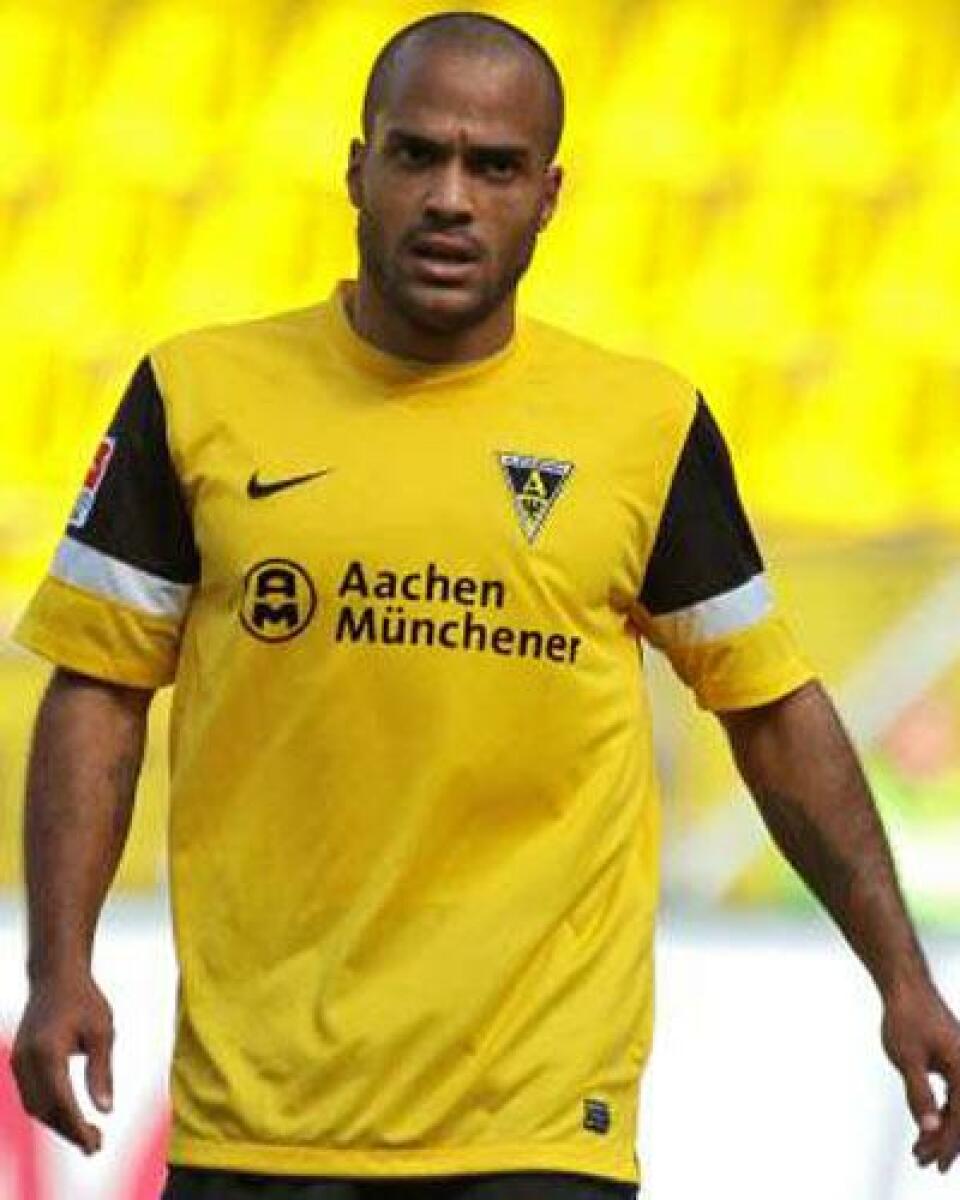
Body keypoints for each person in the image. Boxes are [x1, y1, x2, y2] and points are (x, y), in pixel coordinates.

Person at [9, 10, 960, 1200]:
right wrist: (58, 965)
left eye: (495, 167)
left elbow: (769, 711)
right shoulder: (196, 393)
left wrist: (903, 978)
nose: (451, 198)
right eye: (417, 155)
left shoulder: (643, 427)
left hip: (538, 1121)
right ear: (357, 169)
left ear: (548, 196)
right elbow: (97, 689)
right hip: (261, 1113)